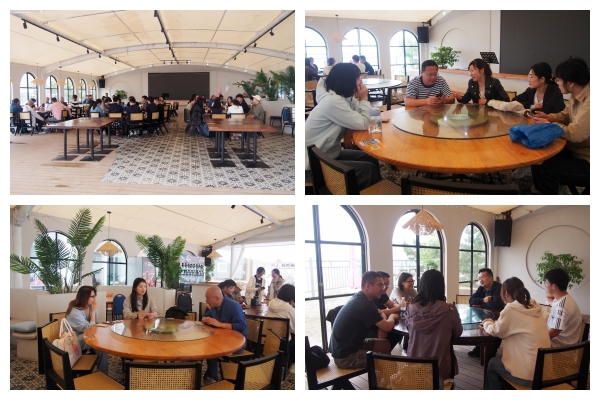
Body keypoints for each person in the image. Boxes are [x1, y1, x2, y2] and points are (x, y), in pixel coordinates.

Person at [305, 62, 382, 191]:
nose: (361, 81)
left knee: (370, 156)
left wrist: (349, 129)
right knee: (367, 170)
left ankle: (372, 189)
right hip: (311, 164)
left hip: (328, 153)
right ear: (347, 80)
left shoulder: (346, 98)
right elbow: (364, 123)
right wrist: (364, 98)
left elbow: (358, 116)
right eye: (358, 78)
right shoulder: (333, 101)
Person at [531, 58, 589, 195]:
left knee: (544, 167)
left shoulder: (591, 101)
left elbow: (574, 134)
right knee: (538, 155)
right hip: (577, 148)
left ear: (571, 83)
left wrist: (550, 124)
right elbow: (566, 114)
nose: (556, 82)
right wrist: (549, 117)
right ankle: (549, 188)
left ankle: (552, 198)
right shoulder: (577, 93)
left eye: (558, 79)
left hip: (588, 158)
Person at [482, 277, 550, 389]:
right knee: (501, 358)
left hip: (528, 376)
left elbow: (496, 331)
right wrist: (495, 323)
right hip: (544, 372)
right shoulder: (533, 306)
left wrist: (486, 323)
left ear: (506, 293)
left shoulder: (511, 309)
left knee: (492, 363)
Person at [406, 269, 462, 388]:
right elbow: (458, 332)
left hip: (414, 371)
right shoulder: (449, 310)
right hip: (440, 374)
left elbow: (409, 330)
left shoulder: (411, 308)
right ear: (441, 286)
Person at [330, 271, 398, 369]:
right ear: (368, 285)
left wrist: (382, 322)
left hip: (353, 345)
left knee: (385, 344)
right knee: (387, 362)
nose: (383, 288)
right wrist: (392, 317)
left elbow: (380, 312)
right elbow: (388, 327)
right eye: (380, 285)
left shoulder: (361, 298)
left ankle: (382, 375)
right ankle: (385, 373)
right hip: (346, 356)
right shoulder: (363, 304)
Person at [201, 286, 247, 383]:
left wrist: (220, 324)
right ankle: (211, 374)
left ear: (217, 298)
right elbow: (204, 317)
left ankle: (212, 377)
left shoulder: (233, 306)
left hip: (237, 342)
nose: (206, 300)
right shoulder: (214, 307)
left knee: (211, 347)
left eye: (207, 298)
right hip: (221, 338)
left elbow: (241, 325)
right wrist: (206, 319)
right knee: (207, 343)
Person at [65, 286, 108, 374]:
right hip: (74, 339)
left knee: (102, 348)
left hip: (85, 334)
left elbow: (95, 324)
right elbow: (89, 328)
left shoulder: (89, 307)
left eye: (94, 296)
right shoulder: (75, 312)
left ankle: (103, 375)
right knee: (99, 340)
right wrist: (94, 311)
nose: (94, 299)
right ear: (84, 297)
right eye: (92, 296)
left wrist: (94, 311)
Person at [468, 268, 504, 357]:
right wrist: (483, 300)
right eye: (479, 278)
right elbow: (471, 300)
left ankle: (492, 350)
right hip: (485, 314)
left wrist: (480, 305)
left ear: (491, 278)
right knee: (478, 321)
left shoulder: (499, 288)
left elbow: (495, 305)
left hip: (498, 316)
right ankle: (478, 347)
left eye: (483, 277)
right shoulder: (481, 288)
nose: (481, 280)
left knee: (493, 323)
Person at [544, 268, 582, 347]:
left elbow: (554, 332)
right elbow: (555, 321)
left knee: (526, 343)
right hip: (557, 339)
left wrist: (536, 338)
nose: (545, 284)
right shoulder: (560, 298)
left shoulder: (563, 305)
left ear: (554, 286)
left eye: (546, 282)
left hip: (560, 344)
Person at [265, 283, 295, 365]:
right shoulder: (289, 309)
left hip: (267, 336)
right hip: (282, 340)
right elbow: (295, 329)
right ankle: (293, 363)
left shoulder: (271, 303)